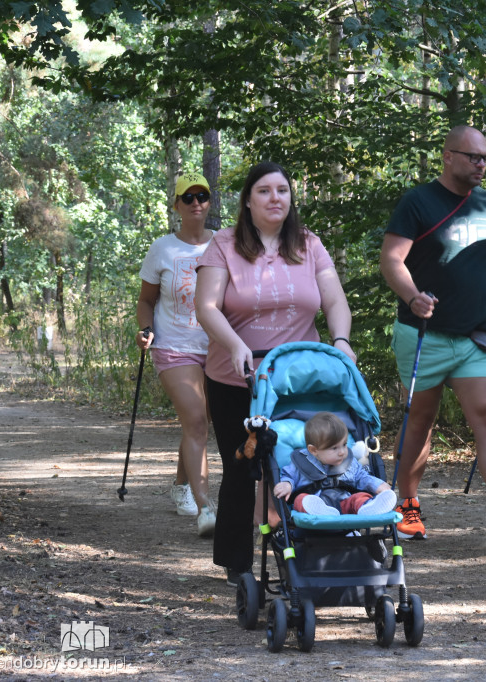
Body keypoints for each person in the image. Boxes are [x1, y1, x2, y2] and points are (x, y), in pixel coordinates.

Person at [379, 124, 486, 551]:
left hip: (476, 335)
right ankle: (407, 506)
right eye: (473, 156)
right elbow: (391, 260)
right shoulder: (418, 202)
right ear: (447, 156)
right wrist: (412, 295)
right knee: (420, 418)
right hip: (424, 334)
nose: (481, 164)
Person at [195, 161, 356, 586]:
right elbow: (207, 306)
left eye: (282, 190)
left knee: (296, 461)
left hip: (296, 379)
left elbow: (335, 301)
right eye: (264, 191)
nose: (275, 198)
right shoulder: (223, 246)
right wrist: (234, 344)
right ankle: (237, 564)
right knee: (242, 467)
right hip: (236, 376)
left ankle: (305, 548)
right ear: (248, 201)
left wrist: (340, 341)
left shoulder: (308, 244)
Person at [136, 171, 216, 538]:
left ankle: (181, 484)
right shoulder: (163, 248)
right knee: (197, 420)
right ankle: (206, 508)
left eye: (202, 196)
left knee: (200, 423)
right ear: (177, 206)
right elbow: (146, 300)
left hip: (217, 348)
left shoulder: (225, 244)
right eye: (189, 197)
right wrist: (144, 329)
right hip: (173, 347)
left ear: (209, 203)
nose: (196, 203)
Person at [272, 412, 397, 517]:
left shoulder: (349, 462)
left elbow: (362, 477)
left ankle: (368, 507)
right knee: (301, 500)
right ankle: (320, 510)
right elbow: (289, 476)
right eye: (334, 448)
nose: (342, 452)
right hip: (314, 500)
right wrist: (287, 484)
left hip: (344, 503)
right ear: (314, 450)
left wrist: (378, 485)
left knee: (358, 497)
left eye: (344, 444)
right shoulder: (300, 462)